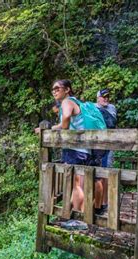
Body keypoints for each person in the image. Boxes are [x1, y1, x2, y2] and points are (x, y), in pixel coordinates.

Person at [50, 79, 89, 212]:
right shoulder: (77, 102)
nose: (54, 91)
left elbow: (66, 120)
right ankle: (79, 214)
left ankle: (77, 218)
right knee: (80, 185)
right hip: (84, 149)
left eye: (57, 88)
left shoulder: (67, 102)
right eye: (53, 89)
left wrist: (54, 128)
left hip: (74, 149)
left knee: (75, 184)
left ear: (67, 90)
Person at [95, 89, 117, 215]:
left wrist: (95, 110)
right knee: (96, 174)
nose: (106, 99)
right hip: (95, 146)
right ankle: (97, 203)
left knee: (106, 172)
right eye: (103, 97)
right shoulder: (92, 107)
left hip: (108, 146)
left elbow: (111, 123)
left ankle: (104, 203)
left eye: (107, 97)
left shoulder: (111, 108)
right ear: (98, 98)